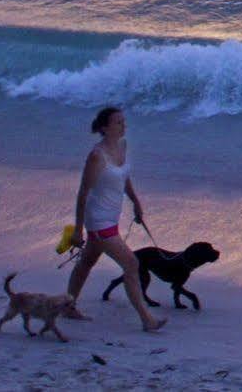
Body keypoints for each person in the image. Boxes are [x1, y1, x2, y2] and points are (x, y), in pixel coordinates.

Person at [64, 106, 166, 332]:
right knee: (131, 263)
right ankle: (146, 318)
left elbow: (124, 176)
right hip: (98, 220)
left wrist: (135, 202)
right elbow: (83, 193)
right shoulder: (96, 156)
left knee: (87, 262)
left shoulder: (123, 145)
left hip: (112, 216)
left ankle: (67, 306)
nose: (124, 126)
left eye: (123, 121)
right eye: (118, 122)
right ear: (104, 128)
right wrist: (77, 229)